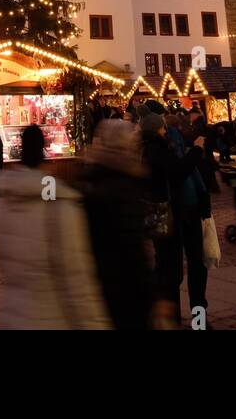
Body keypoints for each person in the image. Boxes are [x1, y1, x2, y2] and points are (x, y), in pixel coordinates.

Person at [0, 124, 110, 329]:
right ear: (43, 149)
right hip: (50, 318)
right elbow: (77, 281)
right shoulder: (58, 206)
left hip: (10, 316)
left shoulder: (1, 200)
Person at [78, 117, 152, 329]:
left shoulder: (89, 178)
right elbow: (133, 247)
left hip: (98, 285)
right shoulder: (124, 182)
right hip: (124, 288)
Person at [139, 100, 207, 328]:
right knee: (184, 268)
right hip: (177, 211)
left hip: (178, 211)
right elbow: (180, 171)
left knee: (177, 269)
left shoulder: (154, 145)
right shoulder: (159, 147)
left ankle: (180, 320)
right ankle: (194, 321)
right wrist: (197, 150)